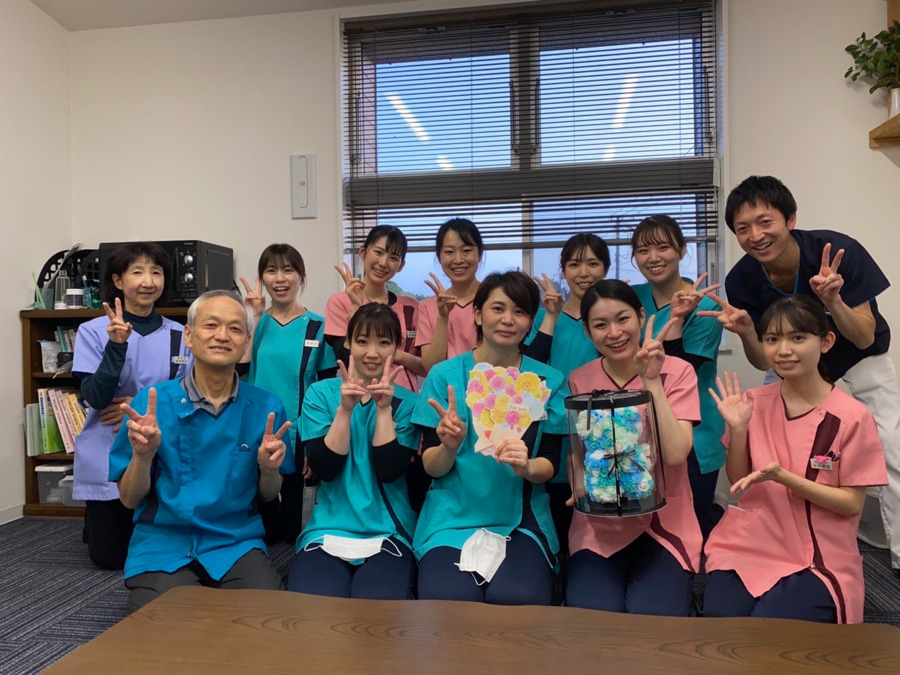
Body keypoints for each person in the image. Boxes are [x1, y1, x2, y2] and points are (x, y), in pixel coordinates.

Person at [704, 175, 900, 573]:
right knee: (765, 441)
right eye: (743, 228)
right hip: (794, 362)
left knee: (892, 445)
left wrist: (834, 301)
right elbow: (765, 362)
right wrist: (747, 332)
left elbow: (863, 337)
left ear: (790, 219)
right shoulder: (743, 279)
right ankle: (778, 536)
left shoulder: (838, 252)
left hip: (858, 353)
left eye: (765, 222)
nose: (756, 236)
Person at [703, 296, 888, 624]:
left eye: (798, 337)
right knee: (721, 619)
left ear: (826, 342)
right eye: (772, 339)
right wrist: (739, 430)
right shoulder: (753, 402)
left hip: (817, 550)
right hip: (754, 538)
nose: (784, 350)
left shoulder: (851, 417)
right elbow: (739, 481)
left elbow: (851, 504)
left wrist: (784, 477)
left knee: (771, 628)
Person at [109, 290, 294, 613]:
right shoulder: (152, 405)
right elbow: (128, 498)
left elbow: (268, 494)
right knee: (171, 630)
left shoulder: (266, 408)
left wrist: (269, 469)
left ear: (246, 343)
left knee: (267, 621)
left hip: (234, 542)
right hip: (164, 543)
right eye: (211, 325)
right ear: (189, 336)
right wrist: (143, 455)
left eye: (235, 328)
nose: (222, 336)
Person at [412, 271, 568, 606]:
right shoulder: (444, 377)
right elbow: (432, 468)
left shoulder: (547, 381)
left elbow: (551, 462)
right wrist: (449, 448)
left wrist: (527, 467)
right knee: (449, 600)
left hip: (521, 521)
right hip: (451, 519)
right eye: (498, 308)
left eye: (520, 311)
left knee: (518, 599)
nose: (508, 320)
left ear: (531, 322)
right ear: (478, 315)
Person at [566, 280, 700, 616]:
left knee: (652, 618)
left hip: (665, 521)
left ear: (641, 316)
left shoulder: (677, 372)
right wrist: (577, 480)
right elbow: (579, 452)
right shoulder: (580, 379)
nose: (614, 333)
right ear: (587, 331)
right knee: (591, 616)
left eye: (623, 319)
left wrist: (652, 380)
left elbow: (675, 454)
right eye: (600, 325)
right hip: (599, 523)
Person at [288, 303, 420, 599]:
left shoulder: (408, 403)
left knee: (375, 609)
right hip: (328, 529)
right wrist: (344, 411)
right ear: (348, 343)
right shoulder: (321, 394)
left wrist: (384, 410)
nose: (372, 353)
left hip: (388, 530)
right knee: (311, 605)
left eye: (383, 343)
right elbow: (324, 470)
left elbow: (389, 471)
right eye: (362, 341)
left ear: (396, 347)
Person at [72, 242, 191, 570]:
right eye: (137, 272)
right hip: (108, 446)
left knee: (166, 551)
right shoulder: (93, 331)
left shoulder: (181, 335)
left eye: (156, 272)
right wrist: (116, 345)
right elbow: (96, 398)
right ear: (118, 281)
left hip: (162, 449)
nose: (148, 281)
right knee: (110, 558)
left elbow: (191, 395)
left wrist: (137, 402)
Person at [630, 215, 724, 536]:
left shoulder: (705, 304)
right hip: (639, 426)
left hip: (695, 430)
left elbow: (679, 374)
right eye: (643, 250)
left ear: (682, 250)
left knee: (691, 526)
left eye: (663, 247)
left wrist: (678, 319)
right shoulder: (632, 298)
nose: (653, 258)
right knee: (646, 522)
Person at [524, 233, 609, 581]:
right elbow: (529, 368)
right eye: (574, 264)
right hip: (552, 428)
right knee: (557, 509)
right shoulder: (546, 317)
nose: (583, 272)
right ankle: (556, 582)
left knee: (596, 511)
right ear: (564, 270)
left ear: (605, 268)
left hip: (601, 428)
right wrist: (551, 315)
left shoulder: (609, 320)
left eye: (593, 263)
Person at [240, 244, 335, 544]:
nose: (280, 278)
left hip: (300, 430)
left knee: (294, 529)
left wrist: (315, 443)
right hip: (254, 426)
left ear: (301, 277)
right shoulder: (251, 324)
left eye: (288, 270)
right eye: (271, 271)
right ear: (262, 279)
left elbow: (326, 387)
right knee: (261, 526)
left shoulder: (318, 326)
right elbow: (239, 370)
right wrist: (254, 317)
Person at [327, 226, 423, 392]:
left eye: (393, 258)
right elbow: (345, 358)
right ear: (363, 252)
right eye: (378, 252)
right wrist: (355, 308)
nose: (383, 263)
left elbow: (426, 367)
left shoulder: (412, 308)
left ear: (401, 265)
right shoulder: (340, 302)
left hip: (405, 399)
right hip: (358, 395)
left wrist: (396, 354)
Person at [416, 218, 484, 373]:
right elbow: (431, 367)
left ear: (480, 254)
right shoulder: (427, 307)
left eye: (466, 250)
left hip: (489, 386)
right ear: (439, 257)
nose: (458, 260)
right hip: (444, 387)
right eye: (449, 252)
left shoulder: (495, 301)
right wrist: (443, 317)